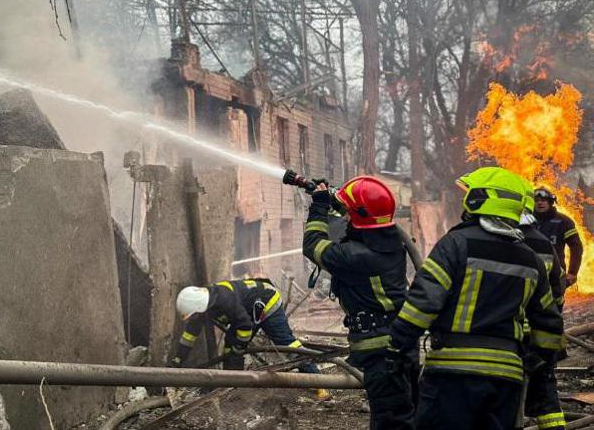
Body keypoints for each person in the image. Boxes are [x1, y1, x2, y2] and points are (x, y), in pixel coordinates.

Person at [388, 167, 565, 430]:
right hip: (506, 380)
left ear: (480, 199)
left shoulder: (456, 244)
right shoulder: (531, 259)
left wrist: (397, 345)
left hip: (452, 375)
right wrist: (535, 361)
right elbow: (549, 324)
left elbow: (423, 302)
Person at [302, 175, 416, 429]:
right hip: (397, 345)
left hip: (381, 352)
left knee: (391, 422)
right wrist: (336, 200)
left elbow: (312, 246)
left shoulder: (357, 256)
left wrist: (319, 206)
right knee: (406, 415)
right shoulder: (389, 243)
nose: (344, 219)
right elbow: (355, 222)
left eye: (347, 214)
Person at [171, 278, 328, 397]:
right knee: (231, 343)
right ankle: (233, 385)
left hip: (267, 302)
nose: (194, 317)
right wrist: (177, 360)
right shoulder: (202, 306)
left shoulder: (224, 300)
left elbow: (245, 325)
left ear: (199, 307)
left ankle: (317, 382)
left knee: (286, 342)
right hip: (250, 310)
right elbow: (189, 337)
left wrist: (238, 348)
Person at [520, 182, 567, 430]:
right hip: (543, 329)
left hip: (513, 333)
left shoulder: (561, 222)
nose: (541, 203)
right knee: (546, 390)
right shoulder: (541, 242)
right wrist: (554, 318)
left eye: (545, 199)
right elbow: (556, 290)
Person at [534, 187, 584, 289]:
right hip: (531, 272)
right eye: (536, 201)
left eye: (543, 200)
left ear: (550, 202)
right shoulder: (526, 219)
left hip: (555, 274)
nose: (540, 203)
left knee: (554, 304)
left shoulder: (564, 221)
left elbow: (576, 247)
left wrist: (572, 272)